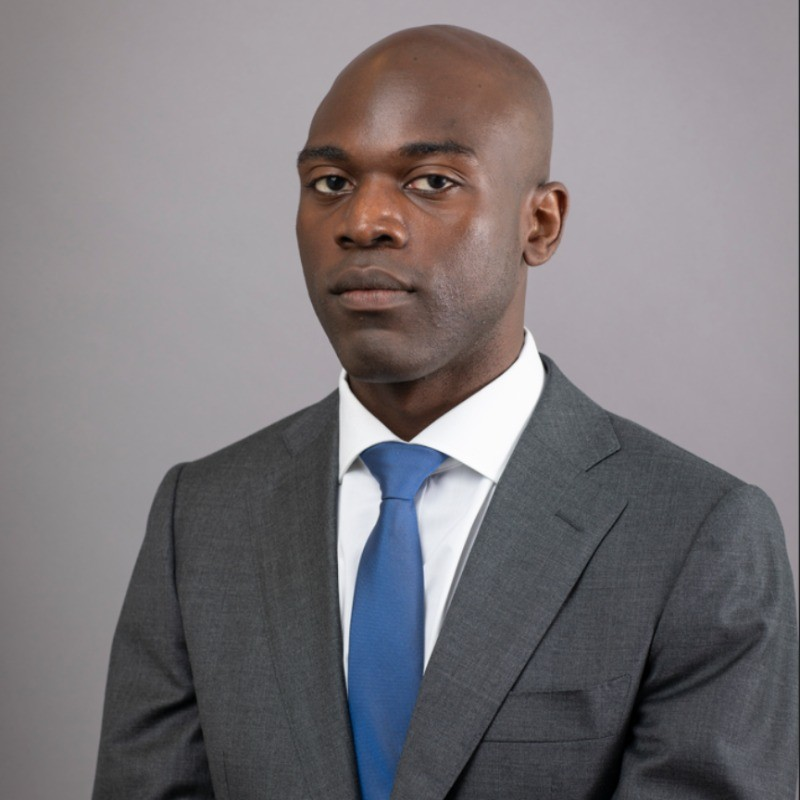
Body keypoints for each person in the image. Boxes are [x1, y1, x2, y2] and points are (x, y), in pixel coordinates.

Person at [93, 24, 798, 799]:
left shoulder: (698, 536)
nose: (363, 220)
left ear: (540, 224)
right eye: (330, 182)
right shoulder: (201, 518)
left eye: (431, 181)